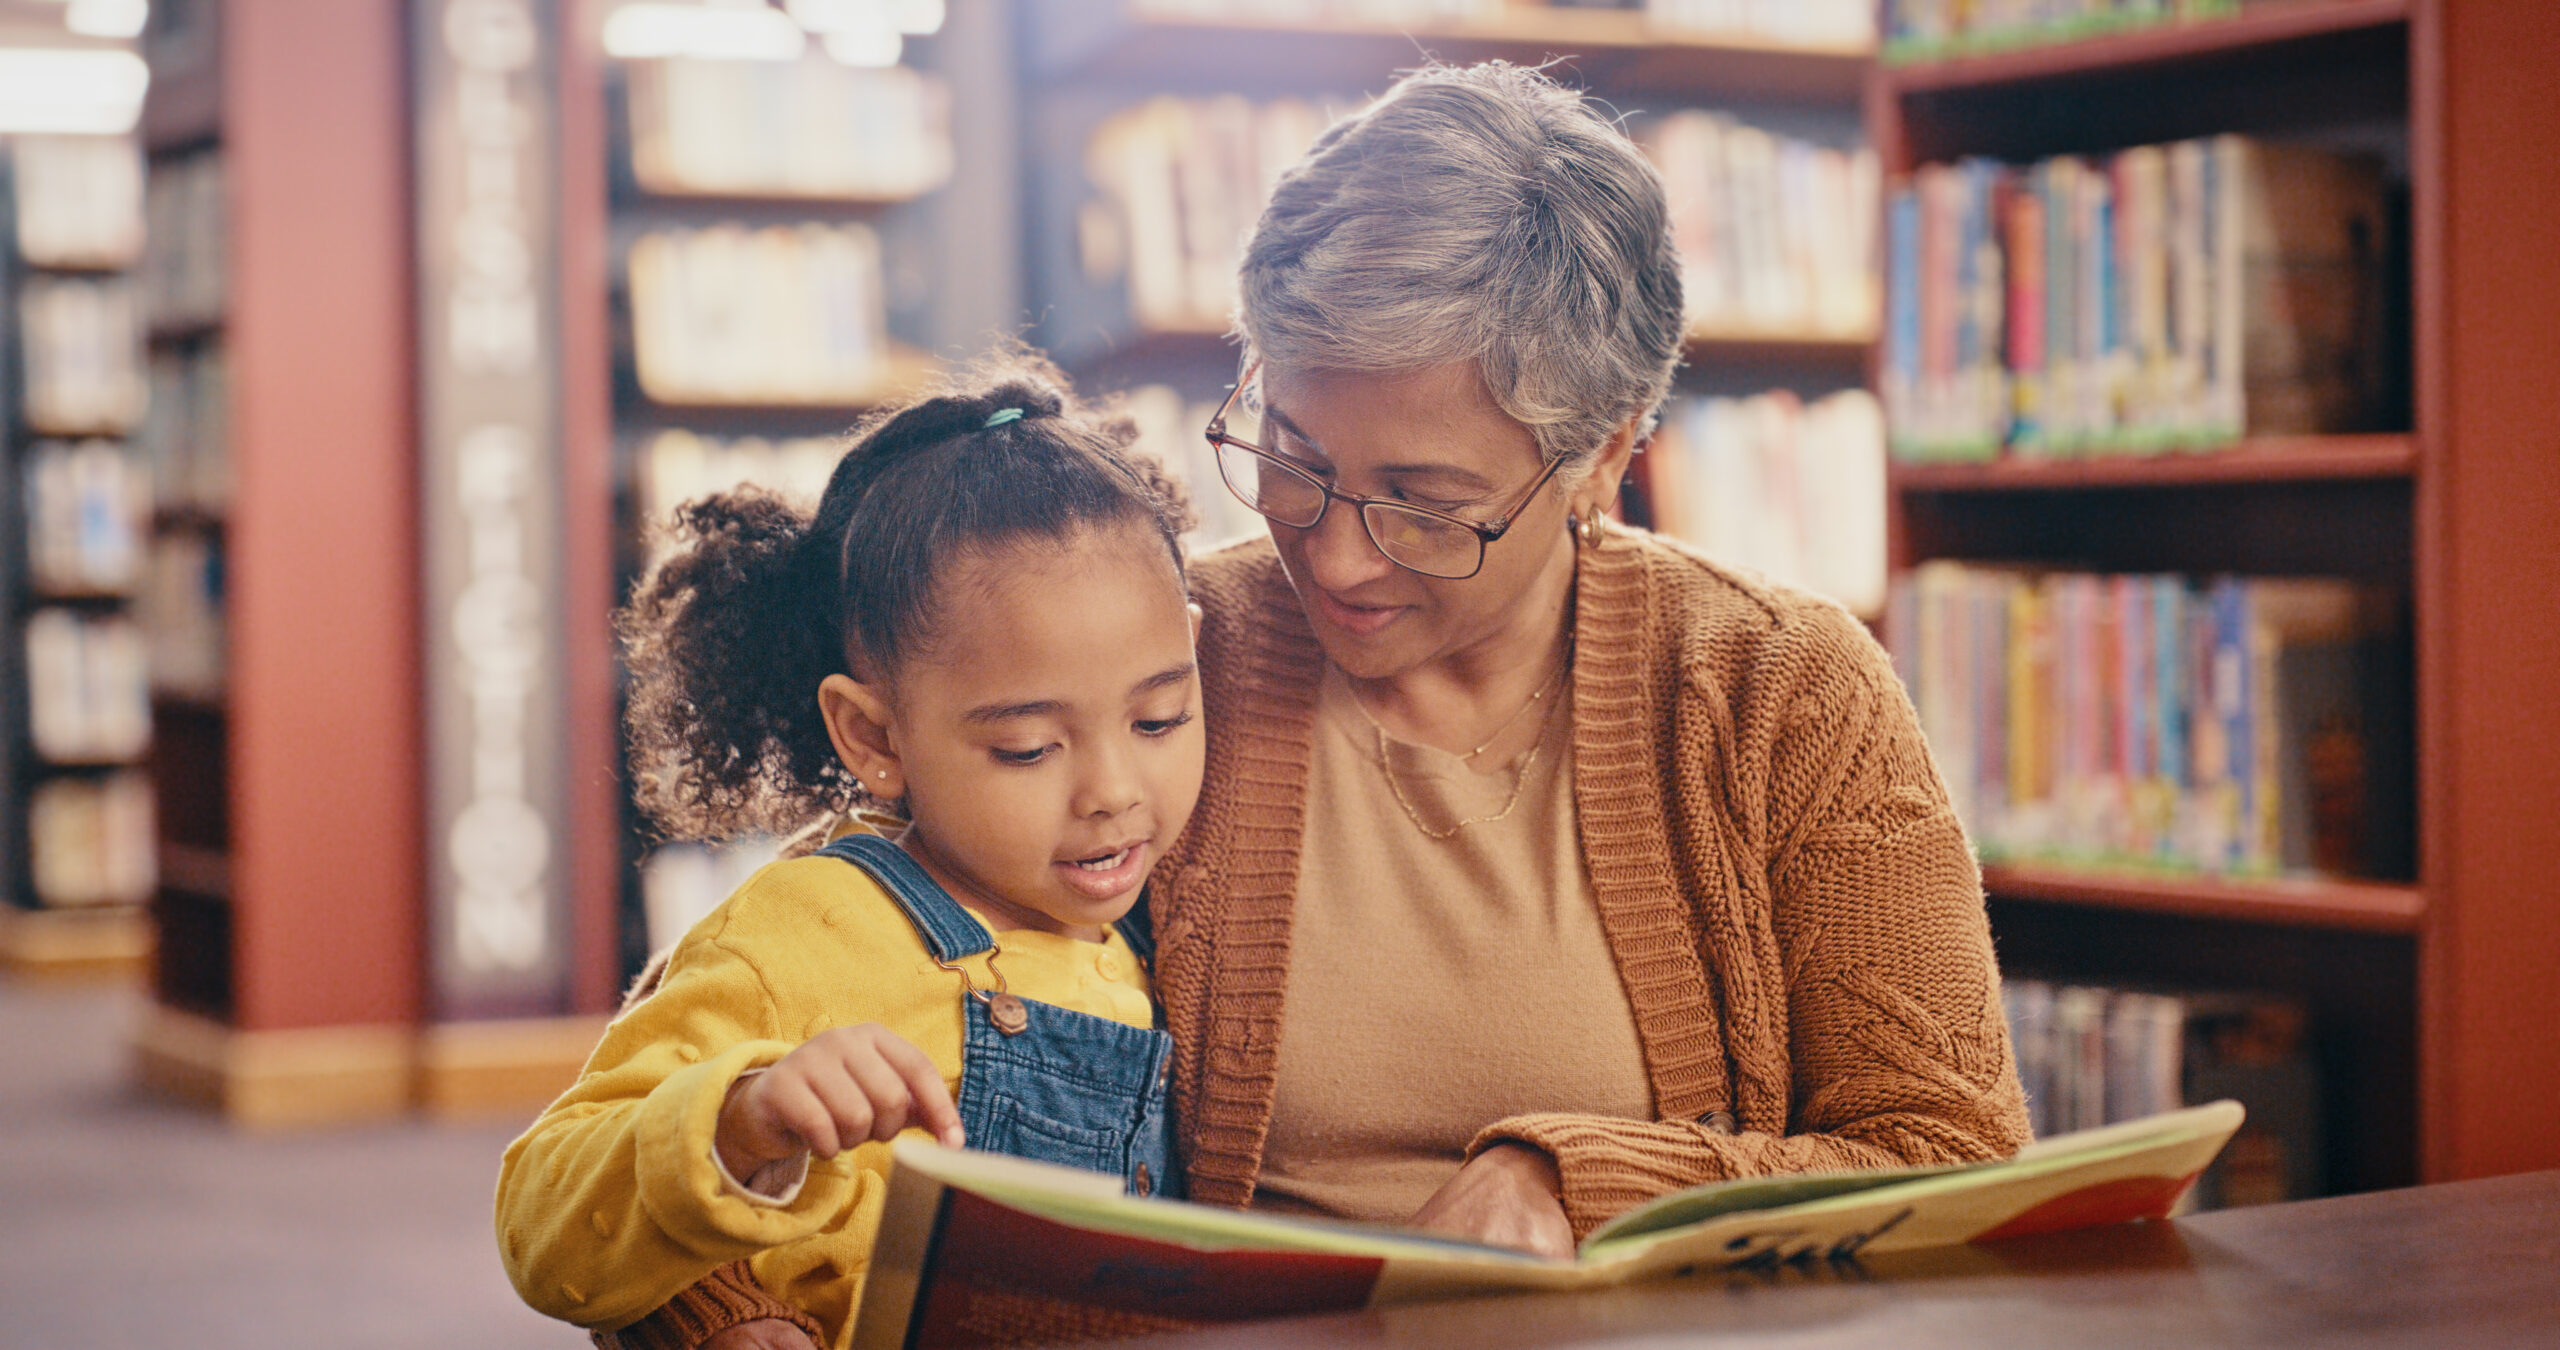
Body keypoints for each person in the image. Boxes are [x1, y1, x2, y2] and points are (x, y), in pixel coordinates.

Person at [626, 59, 2029, 1350]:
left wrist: (1567, 1179)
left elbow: (1951, 1153)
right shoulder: (1154, 671)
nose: (1335, 552)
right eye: (1291, 451)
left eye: (1426, 505)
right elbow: (766, 1030)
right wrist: (731, 1309)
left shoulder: (1781, 690)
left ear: (1607, 455)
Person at [494, 365, 1207, 1350]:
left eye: (1160, 717)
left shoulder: (1167, 918)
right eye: (1028, 749)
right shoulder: (801, 934)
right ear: (871, 738)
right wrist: (740, 1120)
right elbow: (542, 1223)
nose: (1115, 791)